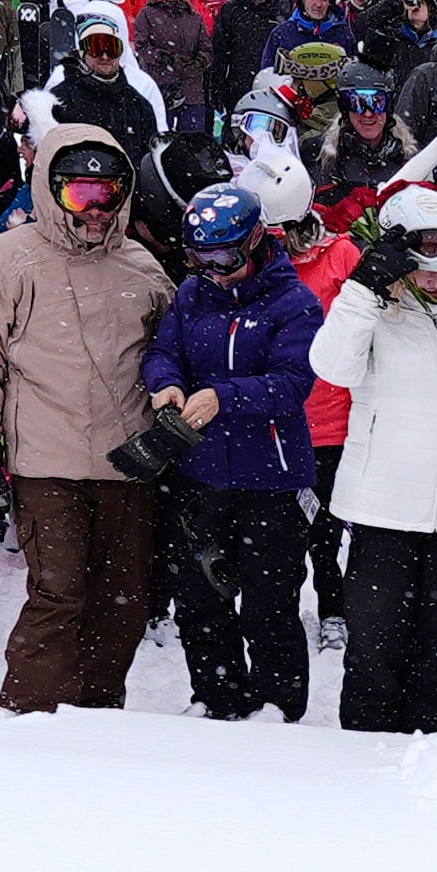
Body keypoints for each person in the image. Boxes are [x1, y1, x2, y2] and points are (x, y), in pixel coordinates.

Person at [0, 131, 173, 715]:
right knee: (59, 592)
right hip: (47, 460)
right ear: (51, 192)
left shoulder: (140, 265)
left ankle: (97, 715)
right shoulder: (10, 258)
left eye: (108, 195)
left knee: (122, 599)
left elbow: (170, 352)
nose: (95, 211)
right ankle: (31, 715)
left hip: (128, 463)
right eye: (79, 196)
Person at [310, 184, 437, 733]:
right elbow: (330, 367)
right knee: (375, 653)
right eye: (423, 266)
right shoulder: (373, 310)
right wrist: (362, 288)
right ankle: (365, 759)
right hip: (382, 512)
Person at [142, 183, 326, 722]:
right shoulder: (192, 295)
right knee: (200, 600)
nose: (212, 270)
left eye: (223, 257)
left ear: (254, 244)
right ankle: (216, 698)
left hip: (269, 478)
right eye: (199, 257)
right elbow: (163, 351)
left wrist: (224, 396)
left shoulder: (295, 304)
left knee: (269, 604)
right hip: (201, 472)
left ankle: (277, 706)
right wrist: (167, 384)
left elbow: (292, 384)